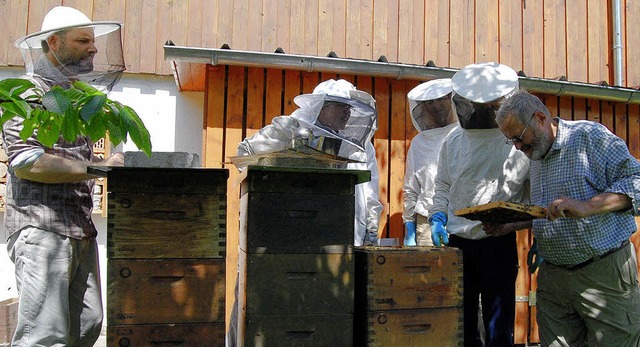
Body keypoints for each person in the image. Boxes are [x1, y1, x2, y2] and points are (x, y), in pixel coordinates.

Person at [3, 6, 126, 346]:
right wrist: (98, 168)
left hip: (79, 228)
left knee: (88, 325)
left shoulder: (78, 99)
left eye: (93, 40)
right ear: (54, 43)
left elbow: (85, 157)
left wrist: (112, 156)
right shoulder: (26, 93)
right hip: (40, 227)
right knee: (45, 336)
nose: (94, 48)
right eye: (83, 40)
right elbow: (28, 161)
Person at [492, 90, 640, 347]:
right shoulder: (535, 154)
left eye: (518, 137)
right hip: (553, 278)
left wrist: (588, 206)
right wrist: (511, 225)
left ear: (540, 118)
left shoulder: (589, 137)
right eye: (511, 141)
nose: (517, 146)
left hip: (603, 275)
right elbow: (549, 213)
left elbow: (636, 182)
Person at [428, 62, 530, 347]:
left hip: (498, 238)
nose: (483, 110)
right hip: (458, 241)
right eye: (477, 104)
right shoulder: (454, 139)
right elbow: (443, 185)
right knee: (462, 324)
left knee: (499, 327)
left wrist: (542, 234)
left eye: (490, 105)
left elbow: (534, 194)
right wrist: (436, 215)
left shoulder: (517, 142)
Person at [237, 78, 383, 246]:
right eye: (341, 106)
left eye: (349, 107)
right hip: (295, 230)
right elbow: (245, 153)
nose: (347, 112)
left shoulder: (361, 146)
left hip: (347, 232)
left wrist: (371, 229)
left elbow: (370, 190)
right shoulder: (291, 129)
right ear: (322, 107)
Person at [402, 78, 458, 246]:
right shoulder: (419, 142)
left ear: (452, 99)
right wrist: (409, 225)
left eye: (441, 99)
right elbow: (411, 187)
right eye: (430, 102)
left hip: (459, 220)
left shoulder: (462, 135)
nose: (436, 106)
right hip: (425, 220)